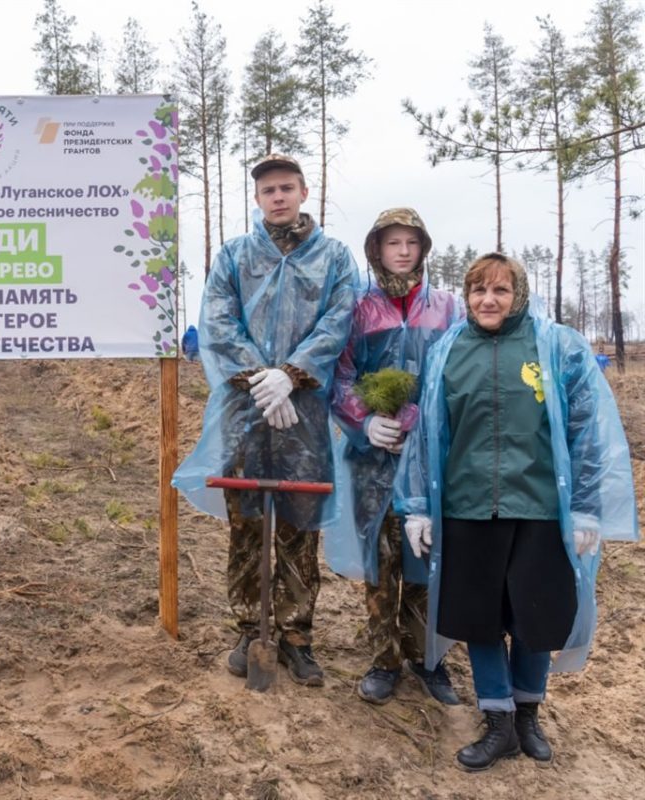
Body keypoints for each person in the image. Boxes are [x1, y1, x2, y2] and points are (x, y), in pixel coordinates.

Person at [395, 252, 638, 771]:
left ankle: (529, 712)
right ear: (466, 296)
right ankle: (498, 722)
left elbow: (585, 432)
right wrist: (418, 506)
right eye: (478, 290)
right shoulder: (449, 351)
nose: (488, 300)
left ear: (520, 294)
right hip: (467, 507)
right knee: (479, 618)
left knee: (536, 615)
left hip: (540, 509)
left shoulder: (557, 347)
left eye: (501, 291)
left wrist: (587, 509)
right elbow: (427, 434)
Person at [174, 154, 358, 686]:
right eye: (268, 190)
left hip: (305, 414)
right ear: (257, 199)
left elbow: (338, 319)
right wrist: (262, 379)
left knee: (300, 529)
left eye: (286, 188)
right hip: (245, 409)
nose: (278, 197)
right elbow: (218, 321)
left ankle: (298, 636)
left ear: (303, 192)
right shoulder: (234, 256)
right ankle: (249, 626)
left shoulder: (335, 259)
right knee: (248, 526)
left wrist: (294, 376)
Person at [326, 209, 463, 705]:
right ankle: (383, 660)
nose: (403, 251)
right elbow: (339, 375)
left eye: (411, 242)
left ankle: (428, 659)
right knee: (381, 561)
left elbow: (460, 376)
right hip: (373, 458)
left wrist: (428, 427)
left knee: (427, 557)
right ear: (376, 250)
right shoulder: (359, 309)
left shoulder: (448, 309)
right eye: (393, 243)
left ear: (424, 249)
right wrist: (365, 421)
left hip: (429, 456)